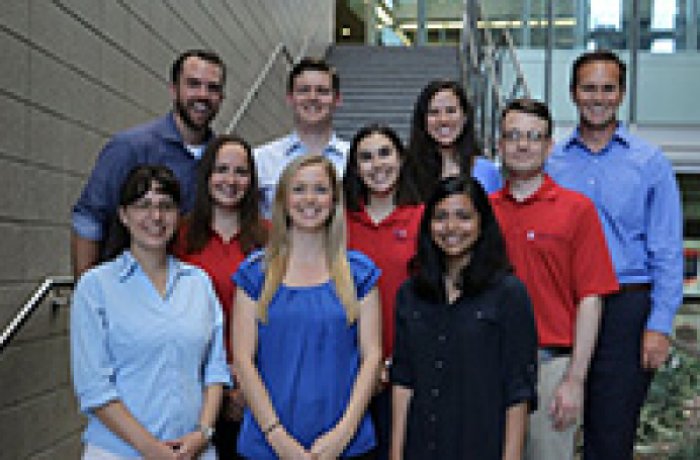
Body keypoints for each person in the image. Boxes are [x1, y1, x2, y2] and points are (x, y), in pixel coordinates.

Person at [547, 50, 684, 459]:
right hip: (562, 303)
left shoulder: (650, 163)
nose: (598, 98)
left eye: (608, 89)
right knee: (550, 427)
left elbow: (667, 250)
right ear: (573, 93)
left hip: (627, 306)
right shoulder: (551, 162)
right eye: (589, 88)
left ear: (621, 94)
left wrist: (659, 324)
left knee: (611, 434)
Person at [70, 165, 231, 460]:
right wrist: (151, 449)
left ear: (178, 216)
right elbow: (93, 387)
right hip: (119, 452)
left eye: (166, 206)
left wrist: (203, 433)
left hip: (194, 451)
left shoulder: (199, 283)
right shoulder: (96, 287)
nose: (155, 217)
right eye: (143, 205)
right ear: (123, 215)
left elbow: (215, 369)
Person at [490, 99, 619, 460]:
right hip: (489, 366)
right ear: (499, 145)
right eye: (513, 135)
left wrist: (574, 380)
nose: (522, 145)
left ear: (549, 146)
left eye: (534, 137)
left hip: (551, 368)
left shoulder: (577, 210)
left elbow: (591, 298)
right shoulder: (482, 213)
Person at [232, 154, 383, 459]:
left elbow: (372, 357)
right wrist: (278, 439)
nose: (310, 199)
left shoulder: (359, 273)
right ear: (284, 200)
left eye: (320, 189)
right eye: (299, 189)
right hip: (268, 446)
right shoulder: (254, 274)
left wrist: (343, 434)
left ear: (334, 201)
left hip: (345, 445)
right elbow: (244, 361)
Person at [391, 176, 538, 460]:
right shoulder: (411, 293)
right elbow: (403, 381)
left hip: (481, 444)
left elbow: (518, 392)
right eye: (441, 217)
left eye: (463, 217)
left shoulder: (509, 293)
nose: (451, 228)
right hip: (422, 446)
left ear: (482, 223)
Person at [71, 49, 226, 278]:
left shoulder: (220, 159)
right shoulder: (130, 148)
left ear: (221, 98)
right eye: (193, 84)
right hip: (126, 291)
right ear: (174, 90)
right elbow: (89, 220)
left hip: (188, 294)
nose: (203, 95)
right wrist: (88, 293)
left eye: (213, 88)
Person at [176, 135, 268, 460]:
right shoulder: (179, 238)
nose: (231, 180)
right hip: (194, 385)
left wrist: (246, 385)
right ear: (206, 176)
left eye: (241, 172)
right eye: (221, 170)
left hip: (257, 386)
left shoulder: (271, 238)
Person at [344, 124, 423, 460]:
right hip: (348, 371)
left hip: (407, 368)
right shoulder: (339, 223)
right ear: (355, 168)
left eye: (385, 153)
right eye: (366, 157)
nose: (377, 165)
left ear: (401, 158)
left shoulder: (422, 219)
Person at [254, 57, 349, 217]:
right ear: (290, 99)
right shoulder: (261, 159)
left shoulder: (355, 159)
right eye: (304, 90)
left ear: (337, 99)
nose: (312, 97)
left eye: (322, 91)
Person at [407, 80, 502, 201]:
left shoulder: (487, 171)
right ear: (423, 120)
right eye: (434, 112)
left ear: (465, 116)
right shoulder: (408, 171)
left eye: (451, 111)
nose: (443, 120)